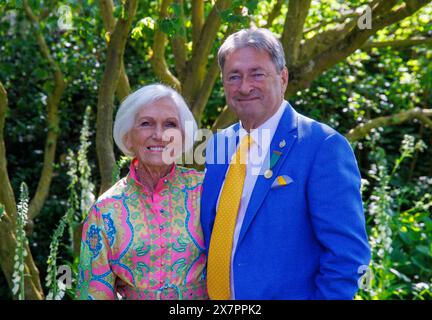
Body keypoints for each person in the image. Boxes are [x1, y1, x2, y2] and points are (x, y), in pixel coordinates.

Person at [201, 28, 371, 300]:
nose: (245, 87)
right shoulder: (219, 145)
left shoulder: (322, 146)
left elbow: (347, 258)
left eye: (257, 73)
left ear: (283, 78)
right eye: (234, 76)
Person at [77, 84, 208, 300]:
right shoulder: (105, 210)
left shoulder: (206, 190)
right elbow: (93, 292)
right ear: (128, 137)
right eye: (146, 124)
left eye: (170, 124)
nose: (159, 134)